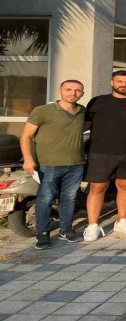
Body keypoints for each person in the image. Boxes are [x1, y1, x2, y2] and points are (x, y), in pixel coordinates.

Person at [21, 80, 87, 249]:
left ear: (82, 93)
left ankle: (66, 229)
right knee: (45, 199)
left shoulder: (82, 111)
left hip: (75, 164)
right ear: (60, 91)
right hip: (48, 165)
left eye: (78, 90)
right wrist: (28, 159)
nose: (73, 93)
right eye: (68, 89)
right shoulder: (42, 111)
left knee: (69, 198)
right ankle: (42, 234)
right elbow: (26, 136)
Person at [82, 70, 126, 241]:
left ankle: (122, 220)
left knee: (125, 185)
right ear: (112, 82)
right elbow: (83, 125)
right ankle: (92, 225)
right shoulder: (98, 101)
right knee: (97, 188)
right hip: (101, 152)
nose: (124, 84)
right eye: (120, 81)